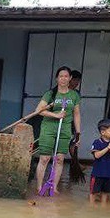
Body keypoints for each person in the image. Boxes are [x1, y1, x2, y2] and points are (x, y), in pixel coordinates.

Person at [35, 66, 82, 194]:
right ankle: (39, 187)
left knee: (59, 159)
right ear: (57, 78)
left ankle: (54, 187)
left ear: (70, 78)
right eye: (61, 76)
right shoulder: (50, 94)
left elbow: (76, 114)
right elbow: (38, 110)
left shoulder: (74, 95)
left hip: (65, 129)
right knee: (44, 158)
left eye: (66, 76)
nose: (63, 79)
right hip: (49, 128)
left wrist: (78, 133)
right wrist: (56, 115)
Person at [90, 119, 110, 205]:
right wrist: (108, 147)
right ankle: (91, 207)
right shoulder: (97, 142)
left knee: (105, 192)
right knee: (94, 192)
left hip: (109, 174)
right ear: (103, 132)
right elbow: (97, 155)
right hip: (97, 174)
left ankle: (103, 207)